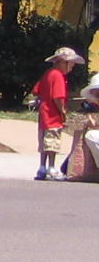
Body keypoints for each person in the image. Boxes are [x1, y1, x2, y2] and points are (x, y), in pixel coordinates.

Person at [32, 46, 82, 180]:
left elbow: (37, 91)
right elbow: (57, 97)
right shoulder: (58, 76)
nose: (71, 68)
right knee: (53, 143)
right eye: (70, 64)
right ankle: (51, 169)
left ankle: (42, 167)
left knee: (44, 143)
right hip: (53, 116)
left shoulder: (48, 74)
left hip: (44, 115)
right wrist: (63, 111)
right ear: (61, 62)